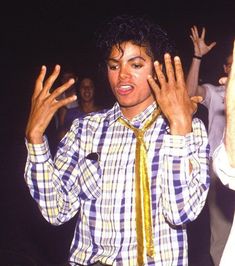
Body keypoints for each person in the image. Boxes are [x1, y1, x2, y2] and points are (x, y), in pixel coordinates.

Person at [24, 15, 209, 266]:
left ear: (156, 68)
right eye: (114, 66)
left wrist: (178, 126)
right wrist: (35, 140)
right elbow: (56, 211)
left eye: (135, 65)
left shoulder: (189, 130)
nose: (122, 75)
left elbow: (180, 213)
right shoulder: (85, 130)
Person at [186, 25, 234, 265]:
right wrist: (197, 57)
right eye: (229, 63)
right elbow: (189, 93)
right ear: (225, 69)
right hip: (222, 177)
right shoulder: (216, 93)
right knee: (221, 241)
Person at [213, 40, 235, 266]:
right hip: (216, 172)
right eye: (230, 64)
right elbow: (231, 166)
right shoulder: (216, 90)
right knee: (219, 235)